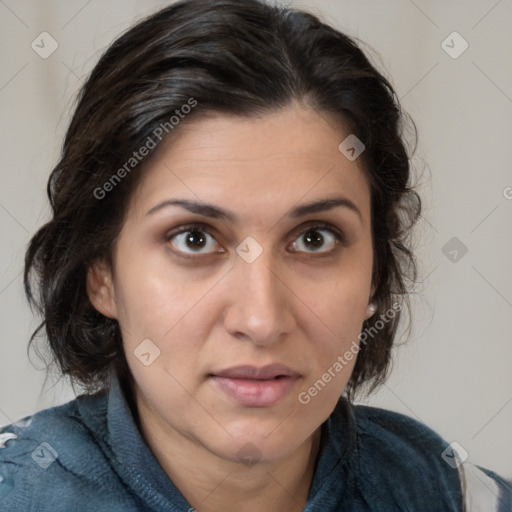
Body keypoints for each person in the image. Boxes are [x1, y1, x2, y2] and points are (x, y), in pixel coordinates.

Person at [0, 0, 510, 510]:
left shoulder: (457, 496)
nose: (262, 320)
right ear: (101, 273)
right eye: (194, 239)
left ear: (375, 274)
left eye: (315, 238)